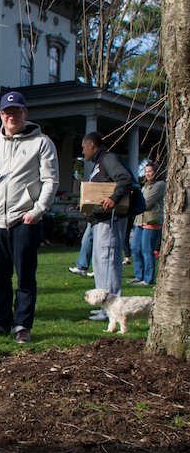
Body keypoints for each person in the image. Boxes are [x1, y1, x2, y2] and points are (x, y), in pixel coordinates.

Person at [0, 91, 59, 344]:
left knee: (24, 276)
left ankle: (21, 325)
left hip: (24, 220)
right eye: (6, 113)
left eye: (16, 112)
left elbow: (51, 181)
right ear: (0, 115)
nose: (11, 117)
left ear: (25, 113)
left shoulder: (41, 143)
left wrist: (37, 211)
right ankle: (0, 322)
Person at [80, 132, 133, 321]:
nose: (82, 151)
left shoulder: (108, 158)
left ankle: (113, 310)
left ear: (92, 145)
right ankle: (105, 308)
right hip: (100, 220)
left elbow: (125, 179)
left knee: (108, 262)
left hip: (110, 221)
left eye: (83, 147)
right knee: (100, 264)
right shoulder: (98, 164)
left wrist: (113, 198)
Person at [129, 161, 165, 287]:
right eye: (146, 171)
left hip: (151, 221)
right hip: (139, 220)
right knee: (135, 248)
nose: (148, 174)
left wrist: (133, 204)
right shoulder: (144, 186)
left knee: (146, 250)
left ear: (156, 172)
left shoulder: (160, 185)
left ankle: (148, 279)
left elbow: (147, 203)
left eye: (150, 171)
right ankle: (139, 275)